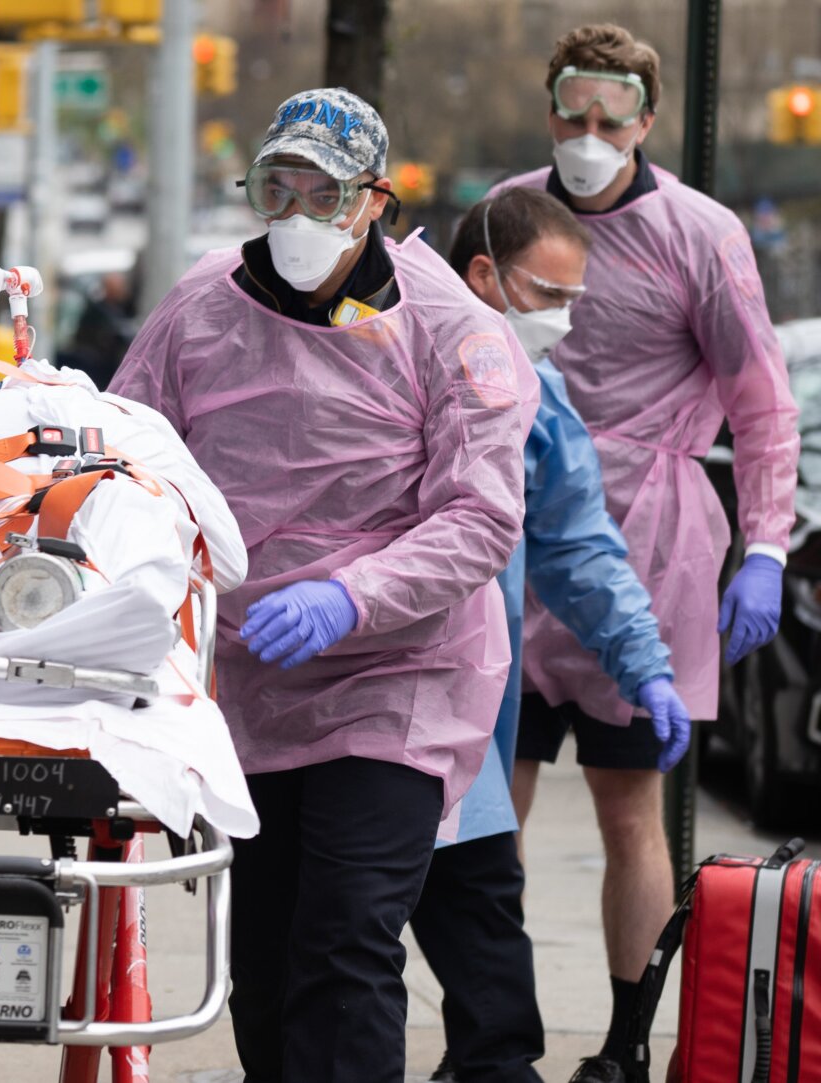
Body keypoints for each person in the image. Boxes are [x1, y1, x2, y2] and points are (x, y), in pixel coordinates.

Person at [110, 88, 537, 1082]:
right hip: (252, 683)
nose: (298, 212)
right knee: (261, 957)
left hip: (399, 674)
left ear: (375, 200)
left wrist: (354, 595)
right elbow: (126, 455)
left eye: (325, 192)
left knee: (345, 940)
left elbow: (480, 516)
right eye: (277, 186)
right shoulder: (199, 307)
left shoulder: (454, 329)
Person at [492, 26, 799, 1082]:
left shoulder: (702, 235)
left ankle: (626, 1043)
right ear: (550, 111)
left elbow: (761, 405)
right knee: (492, 803)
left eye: (609, 121)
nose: (587, 139)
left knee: (631, 813)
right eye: (570, 117)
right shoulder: (507, 216)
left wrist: (765, 544)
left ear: (646, 123)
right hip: (514, 535)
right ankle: (495, 1034)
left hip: (652, 543)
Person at [413, 187, 691, 1083]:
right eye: (552, 297)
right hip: (351, 703)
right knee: (337, 944)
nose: (565, 323)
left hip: (451, 707)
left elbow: (577, 543)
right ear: (484, 274)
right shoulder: (387, 346)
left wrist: (644, 665)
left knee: (478, 921)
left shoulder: (533, 391)